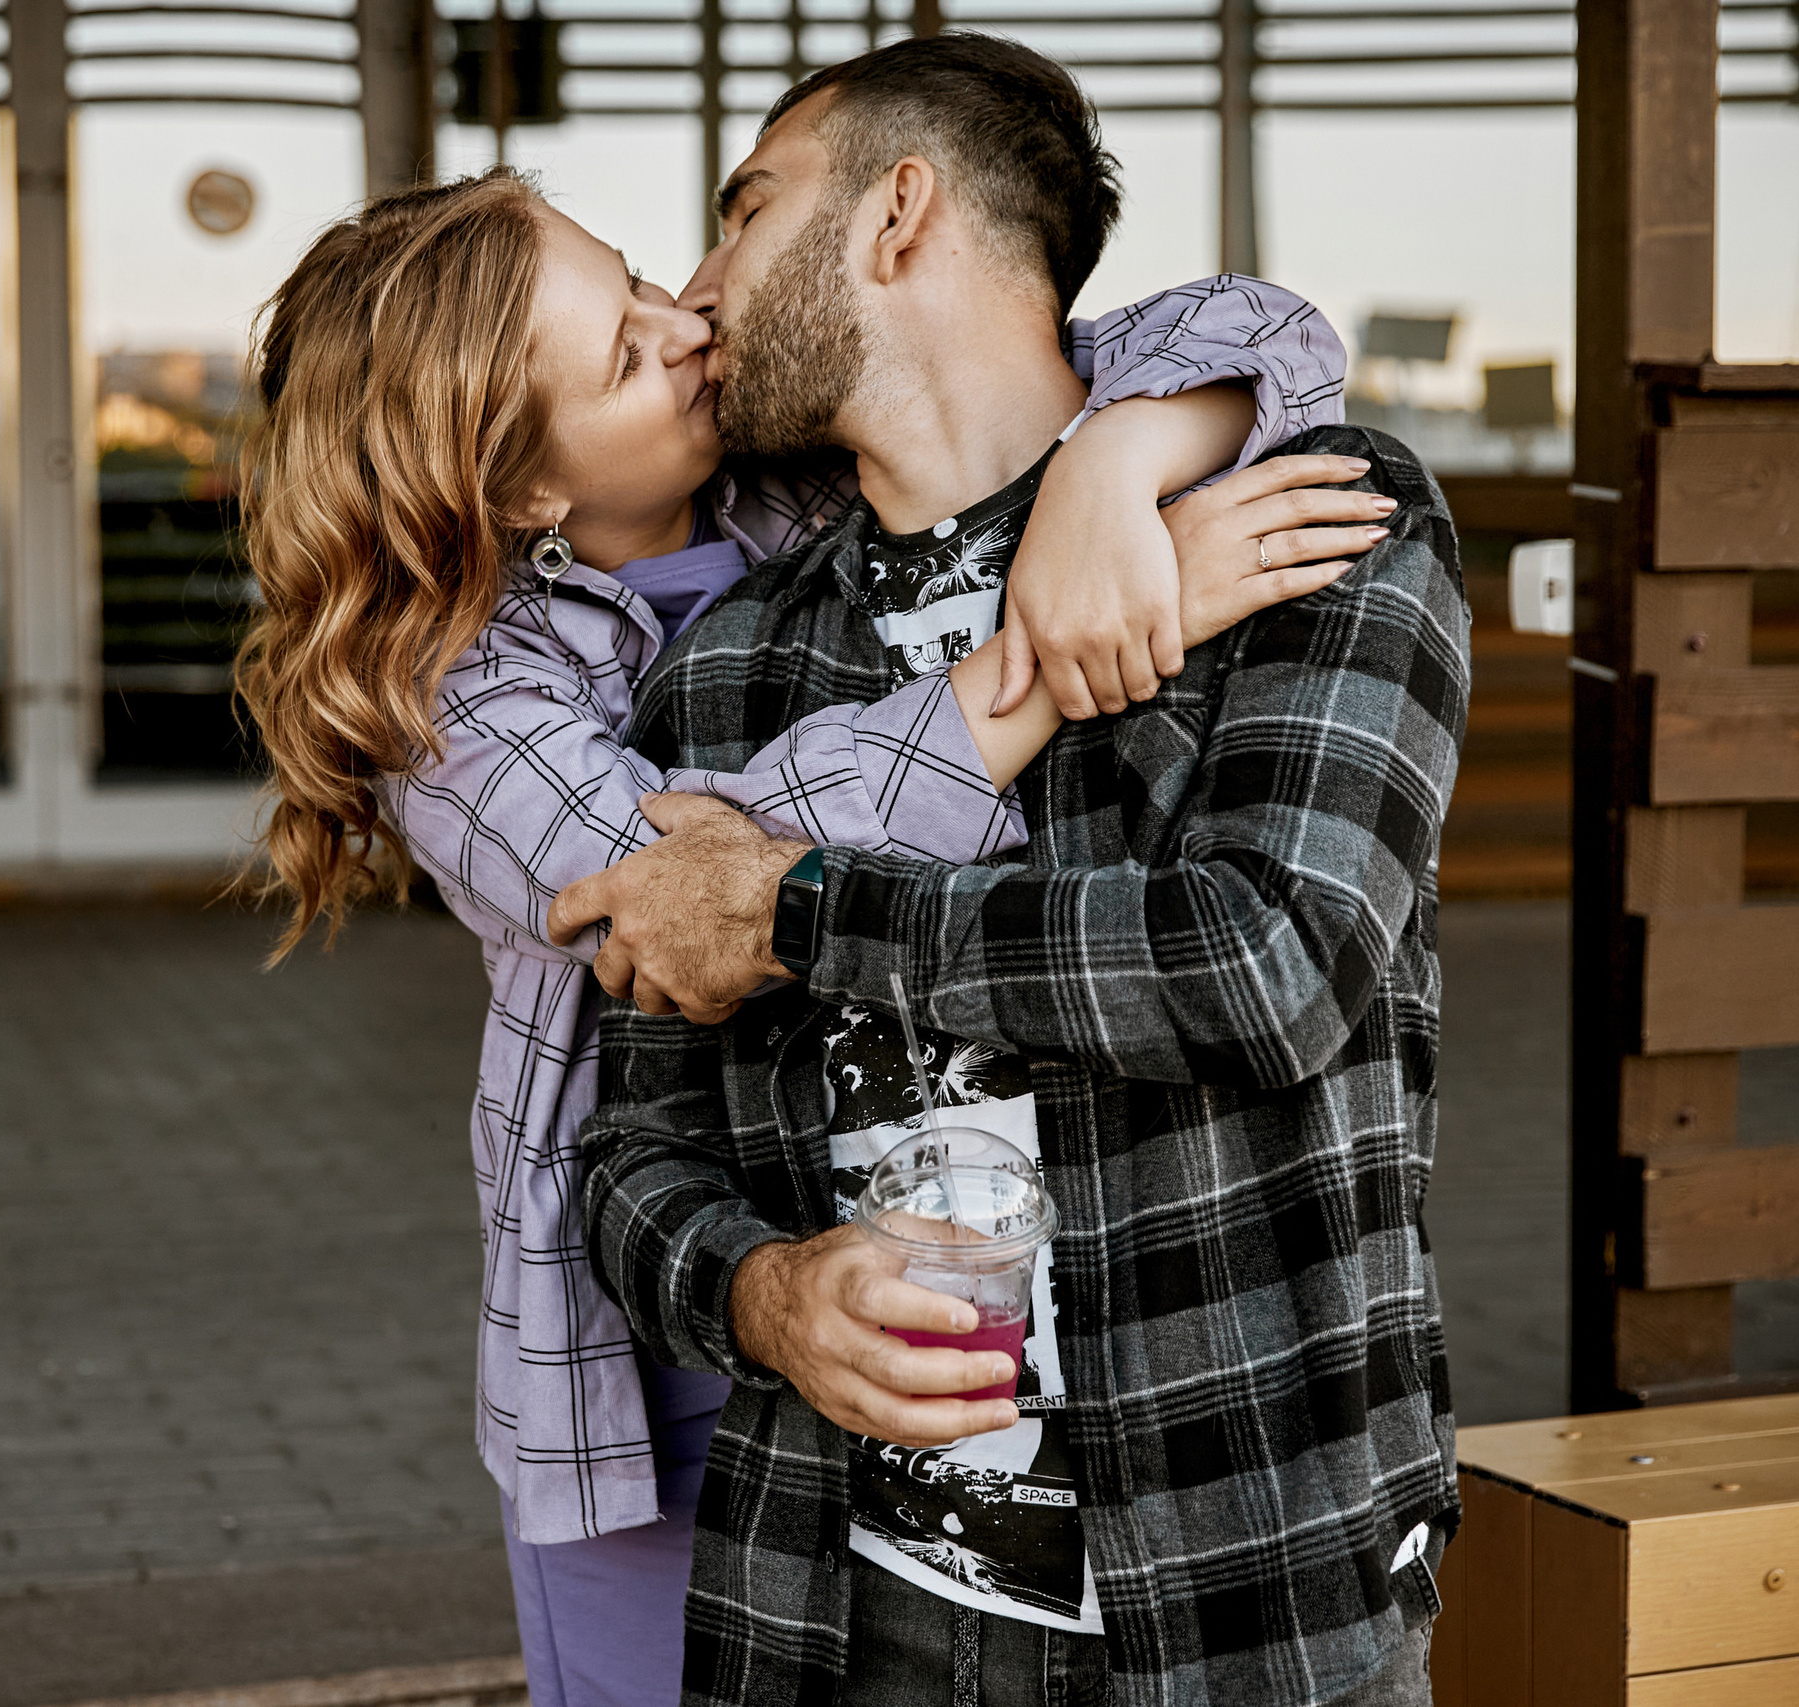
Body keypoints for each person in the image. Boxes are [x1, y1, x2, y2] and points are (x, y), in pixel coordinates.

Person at [235, 169, 1378, 1707]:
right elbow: (691, 889)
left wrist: (1117, 468)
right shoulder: (458, 700)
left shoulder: (794, 489)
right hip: (663, 1335)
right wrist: (1064, 642)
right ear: (519, 493)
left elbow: (1260, 330)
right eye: (627, 355)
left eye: (642, 279)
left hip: (922, 1263)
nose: (687, 326)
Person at [560, 35, 1468, 1707]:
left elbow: (1270, 967)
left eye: (743, 212)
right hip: (838, 1617)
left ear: (897, 212)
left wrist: (798, 906)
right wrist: (761, 1297)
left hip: (1244, 1600)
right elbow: (629, 1148)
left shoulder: (1313, 528)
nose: (694, 293)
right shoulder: (726, 669)